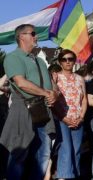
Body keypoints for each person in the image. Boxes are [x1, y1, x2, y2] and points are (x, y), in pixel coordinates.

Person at [0, 24, 58, 180]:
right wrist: (47, 93)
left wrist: (54, 94)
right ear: (21, 37)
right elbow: (21, 83)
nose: (36, 36)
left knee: (44, 154)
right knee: (19, 152)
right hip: (23, 107)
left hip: (44, 109)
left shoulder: (39, 61)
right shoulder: (13, 57)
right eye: (33, 33)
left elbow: (53, 86)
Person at [54, 49, 87, 179]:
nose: (68, 62)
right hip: (62, 118)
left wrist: (82, 117)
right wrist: (63, 117)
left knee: (76, 150)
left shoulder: (80, 78)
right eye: (64, 59)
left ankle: (74, 175)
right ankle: (63, 176)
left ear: (74, 61)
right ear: (60, 62)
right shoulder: (55, 77)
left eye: (70, 59)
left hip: (78, 118)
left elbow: (84, 99)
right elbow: (52, 100)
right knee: (66, 148)